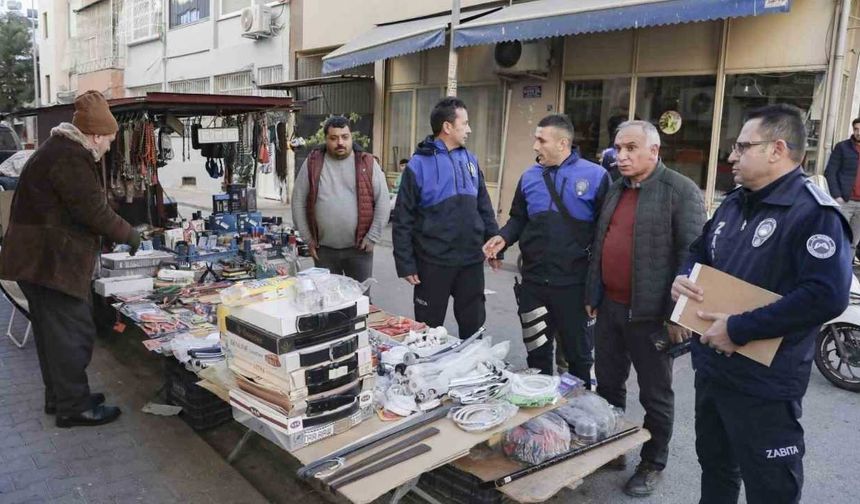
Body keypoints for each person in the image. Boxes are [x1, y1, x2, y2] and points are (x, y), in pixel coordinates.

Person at [672, 104, 852, 504]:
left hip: (765, 384)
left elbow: (826, 294)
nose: (731, 156)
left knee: (771, 488)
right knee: (716, 468)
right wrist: (684, 277)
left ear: (777, 149)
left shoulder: (814, 213)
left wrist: (739, 328)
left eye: (742, 146)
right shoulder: (736, 202)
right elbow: (701, 250)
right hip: (714, 370)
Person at [0, 90, 140, 428]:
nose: (108, 147)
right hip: (48, 263)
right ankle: (74, 407)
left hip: (37, 261)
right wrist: (129, 234)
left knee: (53, 336)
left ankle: (62, 398)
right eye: (107, 140)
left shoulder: (59, 150)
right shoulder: (70, 157)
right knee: (73, 333)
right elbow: (92, 210)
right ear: (94, 135)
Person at [585, 120, 706, 496]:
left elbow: (695, 258)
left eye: (631, 148)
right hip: (610, 309)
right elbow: (600, 242)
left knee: (655, 394)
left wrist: (677, 316)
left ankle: (653, 461)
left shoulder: (680, 191)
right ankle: (613, 447)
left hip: (653, 317)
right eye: (618, 148)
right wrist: (593, 294)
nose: (621, 155)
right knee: (607, 384)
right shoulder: (615, 188)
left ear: (654, 151)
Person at [483, 114, 609, 383]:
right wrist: (503, 238)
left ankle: (577, 418)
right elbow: (519, 218)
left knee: (579, 360)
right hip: (534, 284)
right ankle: (542, 422)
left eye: (541, 140)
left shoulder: (596, 176)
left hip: (575, 286)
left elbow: (605, 235)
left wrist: (597, 288)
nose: (535, 146)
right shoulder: (529, 176)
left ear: (563, 143)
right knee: (537, 358)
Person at [392, 96, 499, 339]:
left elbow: (484, 206)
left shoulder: (471, 160)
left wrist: (495, 244)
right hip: (433, 263)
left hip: (471, 261)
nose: (469, 129)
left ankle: (472, 369)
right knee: (428, 332)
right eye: (466, 123)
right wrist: (405, 263)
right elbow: (403, 219)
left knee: (473, 328)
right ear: (447, 127)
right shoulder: (418, 165)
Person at [292, 116, 390, 283]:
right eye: (334, 138)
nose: (340, 143)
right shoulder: (313, 163)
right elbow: (298, 201)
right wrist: (307, 239)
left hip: (360, 250)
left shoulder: (367, 163)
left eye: (345, 137)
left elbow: (383, 201)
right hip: (324, 251)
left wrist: (373, 236)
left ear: (351, 137)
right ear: (326, 139)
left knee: (360, 302)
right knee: (329, 303)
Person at [824, 117, 860, 256]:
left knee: (853, 242)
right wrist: (837, 196)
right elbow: (830, 172)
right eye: (856, 129)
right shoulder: (842, 147)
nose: (858, 132)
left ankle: (846, 273)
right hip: (845, 201)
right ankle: (832, 271)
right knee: (837, 238)